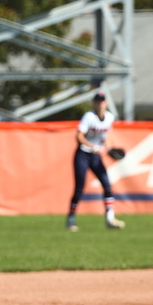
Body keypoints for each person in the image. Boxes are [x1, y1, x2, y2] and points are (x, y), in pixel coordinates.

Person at [65, 90, 125, 231]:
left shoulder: (110, 117)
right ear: (94, 103)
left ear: (107, 103)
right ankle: (71, 219)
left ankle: (110, 219)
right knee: (79, 189)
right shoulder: (89, 117)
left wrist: (109, 149)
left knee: (107, 185)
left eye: (103, 100)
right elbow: (78, 137)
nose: (101, 103)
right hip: (83, 154)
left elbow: (105, 137)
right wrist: (92, 146)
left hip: (96, 156)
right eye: (98, 101)